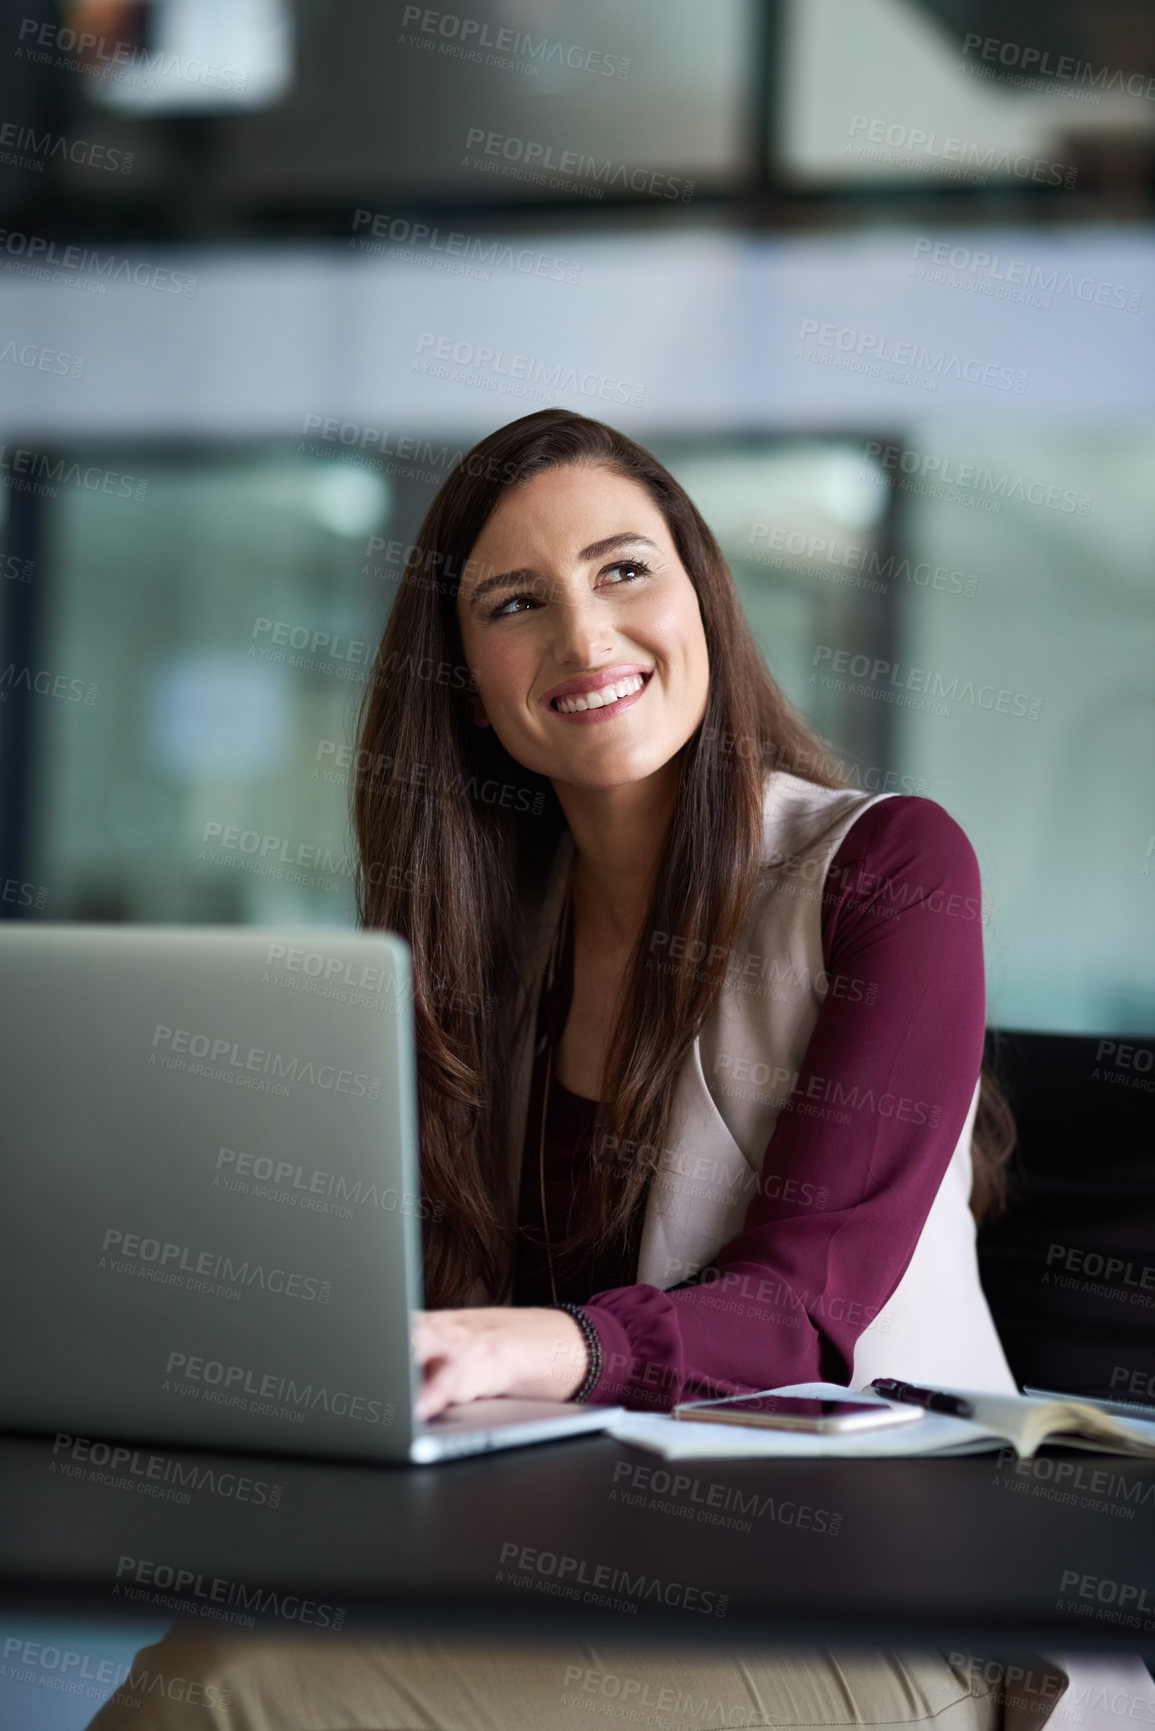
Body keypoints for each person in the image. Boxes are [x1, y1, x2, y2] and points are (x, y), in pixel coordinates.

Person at [87, 408, 1059, 1730]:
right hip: (595, 1564)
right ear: (468, 679)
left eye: (622, 570)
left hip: (892, 1592)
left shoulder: (889, 871)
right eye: (513, 603)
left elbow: (801, 1316)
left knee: (227, 1698)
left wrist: (526, 1345)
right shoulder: (486, 953)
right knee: (205, 1667)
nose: (585, 639)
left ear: (701, 597)